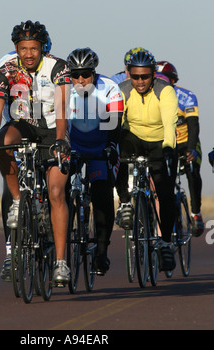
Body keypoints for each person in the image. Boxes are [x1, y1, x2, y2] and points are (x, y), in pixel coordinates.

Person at [0, 20, 71, 286]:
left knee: (55, 193)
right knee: (3, 141)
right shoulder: (4, 71)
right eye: (23, 48)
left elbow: (62, 109)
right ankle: (18, 201)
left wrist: (61, 141)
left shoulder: (59, 68)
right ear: (16, 48)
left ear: (42, 48)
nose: (29, 54)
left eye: (34, 48)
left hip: (53, 130)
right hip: (24, 125)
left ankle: (61, 262)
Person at [115, 50, 179, 271]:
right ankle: (124, 203)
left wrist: (169, 148)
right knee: (117, 151)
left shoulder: (165, 91)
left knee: (166, 192)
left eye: (145, 76)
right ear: (129, 74)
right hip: (133, 138)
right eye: (135, 77)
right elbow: (117, 122)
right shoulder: (122, 91)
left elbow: (170, 122)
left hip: (161, 141)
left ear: (153, 75)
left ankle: (165, 243)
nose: (140, 81)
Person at [66, 48, 123, 275]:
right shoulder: (63, 88)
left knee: (101, 192)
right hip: (73, 147)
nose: (81, 80)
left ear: (94, 73)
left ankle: (101, 251)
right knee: (60, 189)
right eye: (76, 75)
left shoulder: (109, 87)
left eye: (86, 74)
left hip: (101, 146)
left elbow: (115, 120)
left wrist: (110, 146)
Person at [156, 61, 204, 237]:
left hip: (186, 142)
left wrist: (191, 149)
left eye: (164, 79)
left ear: (173, 81)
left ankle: (196, 213)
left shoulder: (187, 96)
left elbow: (193, 126)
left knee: (193, 171)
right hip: (166, 142)